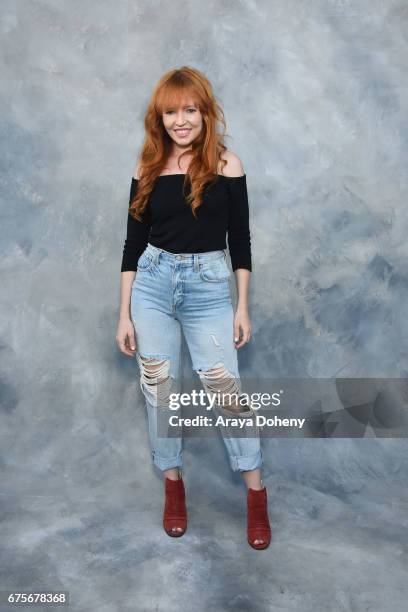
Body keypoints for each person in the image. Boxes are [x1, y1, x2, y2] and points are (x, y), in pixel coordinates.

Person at [116, 66, 271, 550]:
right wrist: (124, 313)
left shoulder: (228, 166)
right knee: (160, 391)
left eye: (189, 110)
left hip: (208, 287)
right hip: (153, 286)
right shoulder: (146, 168)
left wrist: (241, 305)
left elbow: (240, 240)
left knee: (226, 391)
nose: (180, 121)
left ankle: (256, 495)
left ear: (205, 112)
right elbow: (132, 245)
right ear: (158, 118)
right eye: (169, 112)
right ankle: (174, 485)